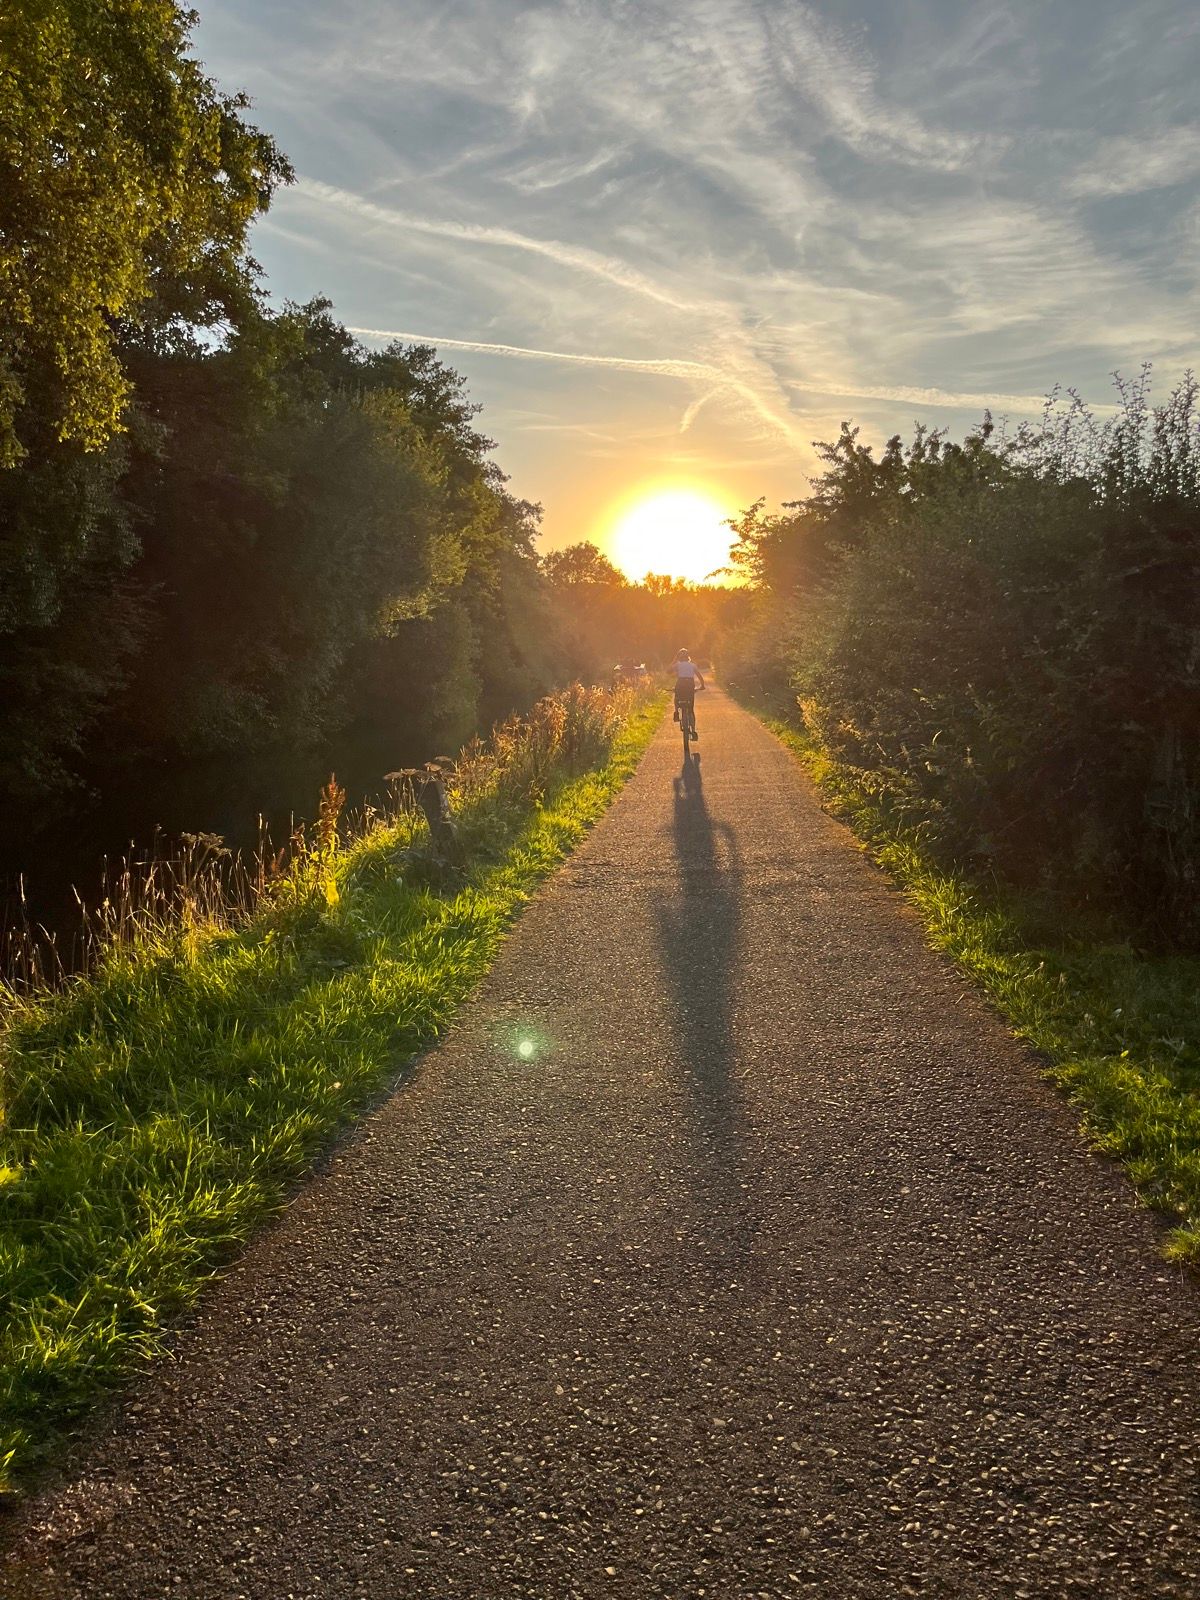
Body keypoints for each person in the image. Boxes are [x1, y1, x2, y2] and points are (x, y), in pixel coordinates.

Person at [672, 647, 705, 738]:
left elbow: (668, 671)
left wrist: (674, 660)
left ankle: (676, 712)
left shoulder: (677, 665)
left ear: (679, 657)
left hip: (680, 684)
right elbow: (700, 676)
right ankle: (693, 731)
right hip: (690, 685)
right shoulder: (693, 665)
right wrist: (702, 686)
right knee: (691, 710)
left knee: (676, 696)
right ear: (688, 657)